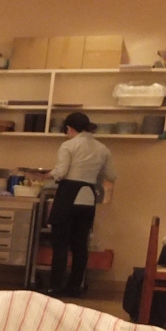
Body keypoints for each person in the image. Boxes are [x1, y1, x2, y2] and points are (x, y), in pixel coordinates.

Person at [39, 112, 116, 298]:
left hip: (68, 195)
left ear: (69, 128)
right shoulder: (103, 149)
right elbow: (112, 176)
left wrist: (43, 175)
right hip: (88, 198)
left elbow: (60, 172)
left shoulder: (68, 145)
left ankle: (55, 286)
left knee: (60, 244)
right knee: (80, 245)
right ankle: (75, 287)